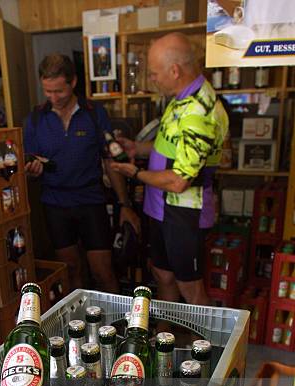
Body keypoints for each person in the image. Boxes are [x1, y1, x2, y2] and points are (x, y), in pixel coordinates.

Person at [111, 33, 229, 305]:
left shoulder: (199, 111)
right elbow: (172, 147)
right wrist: (136, 149)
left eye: (154, 73)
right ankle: (164, 339)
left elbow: (179, 181)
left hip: (183, 212)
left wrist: (136, 174)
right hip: (161, 207)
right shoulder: (180, 98)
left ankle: (204, 346)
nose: (152, 79)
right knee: (162, 274)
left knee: (190, 286)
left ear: (174, 71)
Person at [24, 53, 139, 293]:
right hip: (55, 204)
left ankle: (113, 327)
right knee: (71, 271)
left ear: (73, 82)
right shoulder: (35, 119)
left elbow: (110, 160)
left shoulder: (94, 113)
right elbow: (29, 165)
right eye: (48, 91)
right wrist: (32, 172)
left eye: (59, 91)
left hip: (91, 201)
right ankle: (80, 326)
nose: (53, 98)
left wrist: (124, 204)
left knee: (103, 272)